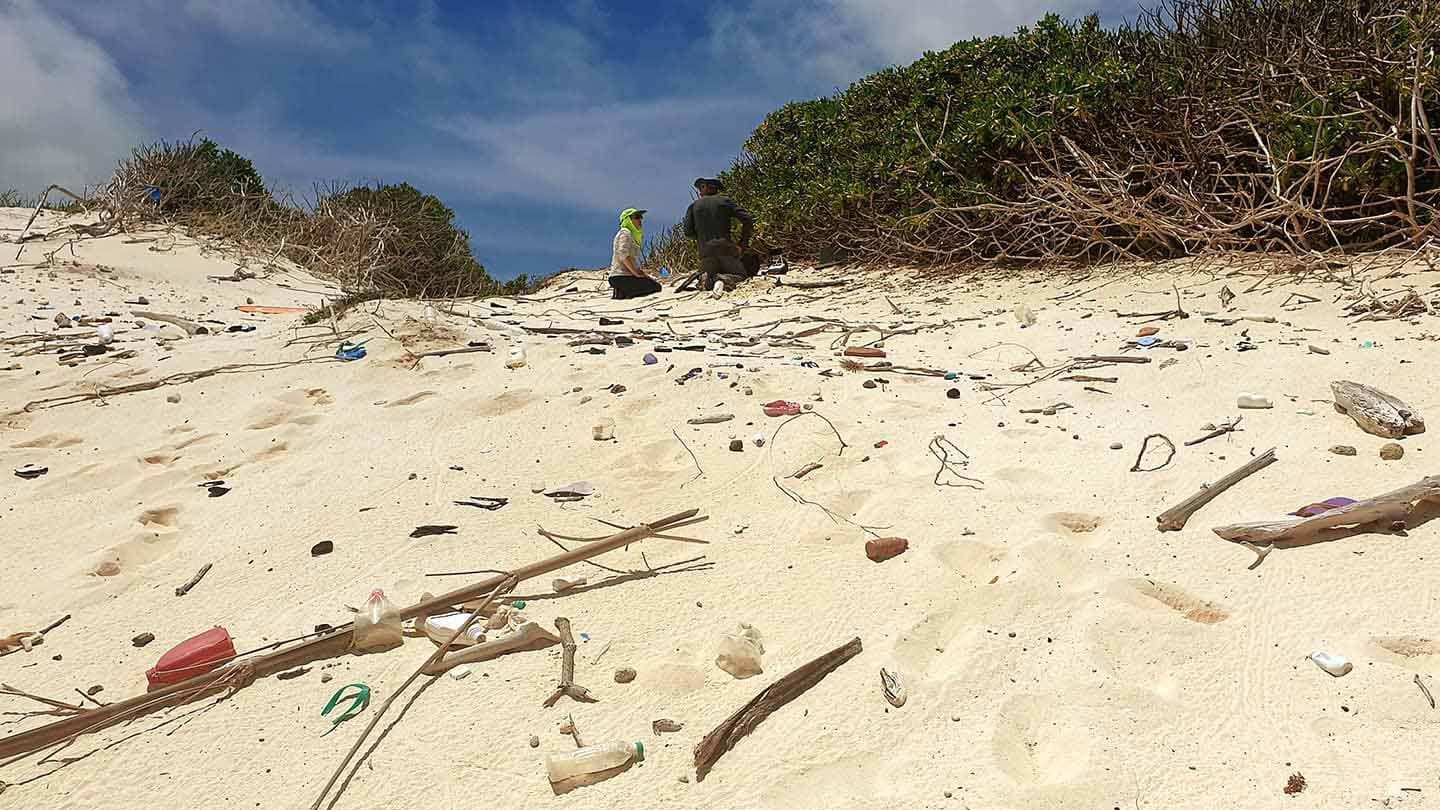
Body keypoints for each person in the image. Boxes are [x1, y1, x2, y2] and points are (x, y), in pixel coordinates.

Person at [683, 177, 754, 296]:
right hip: (726, 250)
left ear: (706, 188)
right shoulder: (725, 201)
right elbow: (747, 219)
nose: (700, 192)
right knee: (741, 276)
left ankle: (708, 280)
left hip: (706, 253)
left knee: (708, 277)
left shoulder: (693, 206)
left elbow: (688, 233)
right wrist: (742, 243)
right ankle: (723, 279)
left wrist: (702, 238)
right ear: (716, 189)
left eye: (701, 188)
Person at [609, 207, 660, 299]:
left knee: (653, 284)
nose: (640, 219)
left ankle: (623, 292)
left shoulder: (631, 235)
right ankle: (624, 292)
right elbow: (623, 254)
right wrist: (635, 273)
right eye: (636, 217)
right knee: (655, 287)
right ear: (627, 220)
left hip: (625, 276)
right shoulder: (625, 233)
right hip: (620, 276)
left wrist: (641, 273)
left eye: (640, 217)